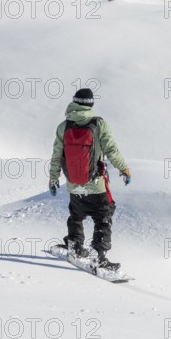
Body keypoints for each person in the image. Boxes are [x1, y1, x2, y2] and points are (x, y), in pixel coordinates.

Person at [48, 88, 131, 271]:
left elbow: (56, 155)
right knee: (104, 216)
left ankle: (74, 246)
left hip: (74, 185)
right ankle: (98, 257)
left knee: (76, 216)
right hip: (95, 184)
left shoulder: (64, 126)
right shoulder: (99, 123)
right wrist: (123, 169)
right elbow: (111, 150)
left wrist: (53, 178)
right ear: (91, 104)